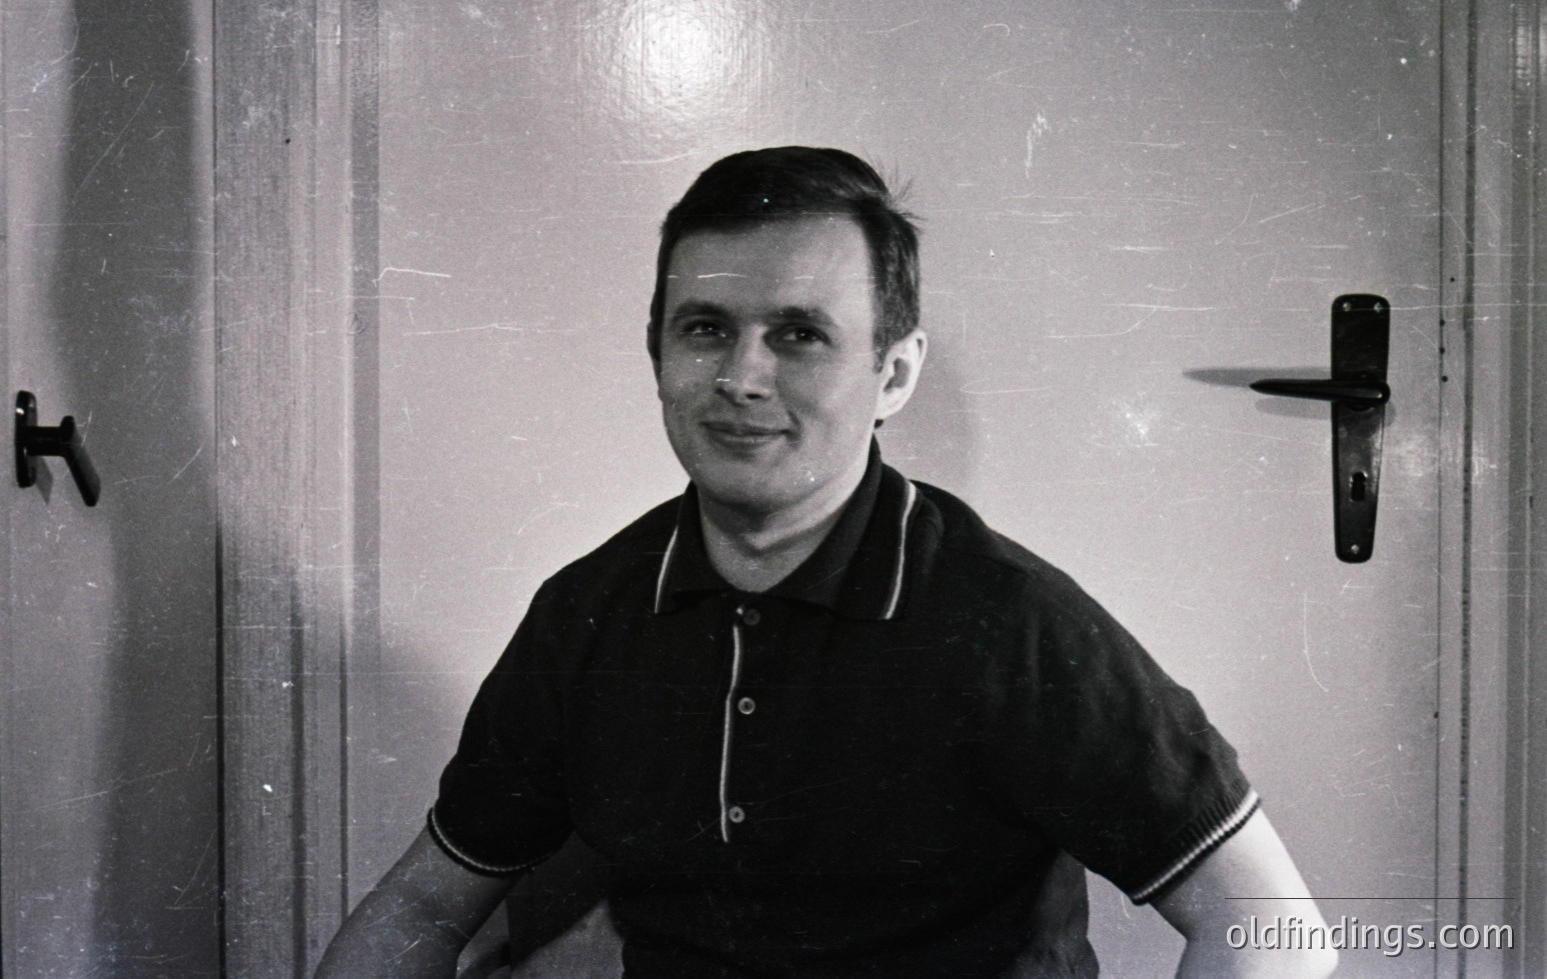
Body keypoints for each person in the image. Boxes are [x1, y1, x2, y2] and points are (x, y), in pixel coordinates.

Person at [317, 147, 1336, 977]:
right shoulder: (588, 614)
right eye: (705, 329)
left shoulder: (1007, 623)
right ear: (658, 355)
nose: (740, 378)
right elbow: (423, 905)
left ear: (893, 373)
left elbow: (1271, 931)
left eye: (799, 335)